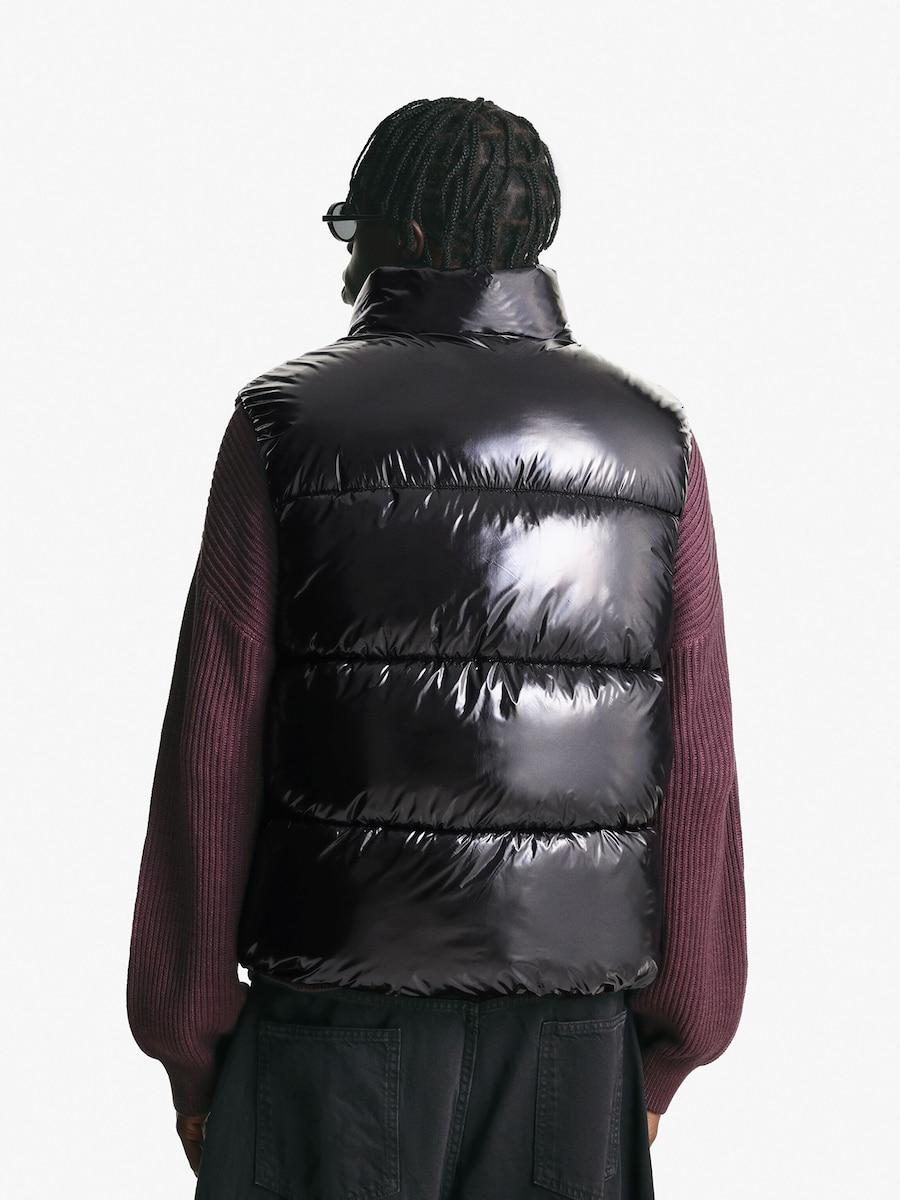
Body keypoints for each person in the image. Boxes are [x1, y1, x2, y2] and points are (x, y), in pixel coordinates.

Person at [127, 96, 747, 1199]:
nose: (343, 266)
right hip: (570, 1044)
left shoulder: (285, 423)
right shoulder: (655, 441)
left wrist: (189, 1034)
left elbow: (211, 743)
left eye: (350, 229)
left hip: (328, 1032)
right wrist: (676, 1037)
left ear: (406, 238)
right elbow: (696, 755)